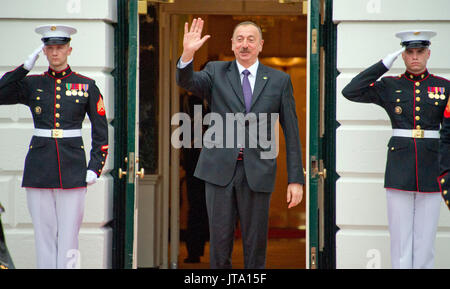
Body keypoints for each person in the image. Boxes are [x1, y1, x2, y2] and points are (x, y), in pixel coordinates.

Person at [176, 18, 304, 269]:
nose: (245, 45)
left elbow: (291, 132)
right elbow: (187, 82)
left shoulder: (279, 81)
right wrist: (188, 53)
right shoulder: (215, 71)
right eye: (240, 39)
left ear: (261, 45)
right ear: (232, 45)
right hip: (218, 170)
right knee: (220, 244)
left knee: (256, 246)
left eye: (251, 39)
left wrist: (295, 179)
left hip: (258, 170)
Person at [0, 24, 108, 268]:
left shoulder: (86, 85)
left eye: (60, 47)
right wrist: (24, 68)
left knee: (69, 237)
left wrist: (95, 167)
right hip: (39, 167)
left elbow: (101, 131)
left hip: (72, 168)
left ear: (69, 50)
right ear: (44, 52)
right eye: (50, 48)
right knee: (44, 236)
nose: (55, 52)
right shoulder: (31, 84)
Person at [342, 30, 448, 269]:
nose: (415, 57)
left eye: (420, 52)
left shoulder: (444, 87)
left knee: (426, 238)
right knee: (400, 238)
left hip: (432, 166)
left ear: (428, 54)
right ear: (402, 56)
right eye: (409, 52)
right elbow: (350, 91)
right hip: (400, 166)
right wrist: (382, 64)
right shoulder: (390, 85)